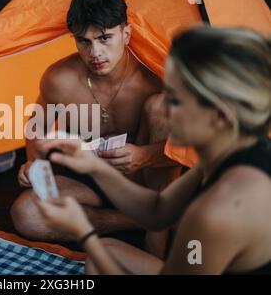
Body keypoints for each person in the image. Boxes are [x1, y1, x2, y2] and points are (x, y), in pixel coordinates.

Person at [34, 26, 271, 274]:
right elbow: (158, 210)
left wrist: (85, 233)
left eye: (176, 101)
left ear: (220, 115)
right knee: (107, 253)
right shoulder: (235, 151)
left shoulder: (215, 212)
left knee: (99, 256)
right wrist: (92, 165)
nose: (163, 109)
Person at [11, 0, 181, 256]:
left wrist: (144, 156)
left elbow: (191, 150)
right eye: (84, 41)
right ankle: (138, 222)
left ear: (126, 34)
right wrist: (35, 163)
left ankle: (155, 240)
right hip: (89, 178)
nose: (95, 52)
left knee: (160, 106)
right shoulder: (59, 78)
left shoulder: (156, 76)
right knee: (26, 214)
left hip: (145, 182)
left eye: (105, 38)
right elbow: (37, 129)